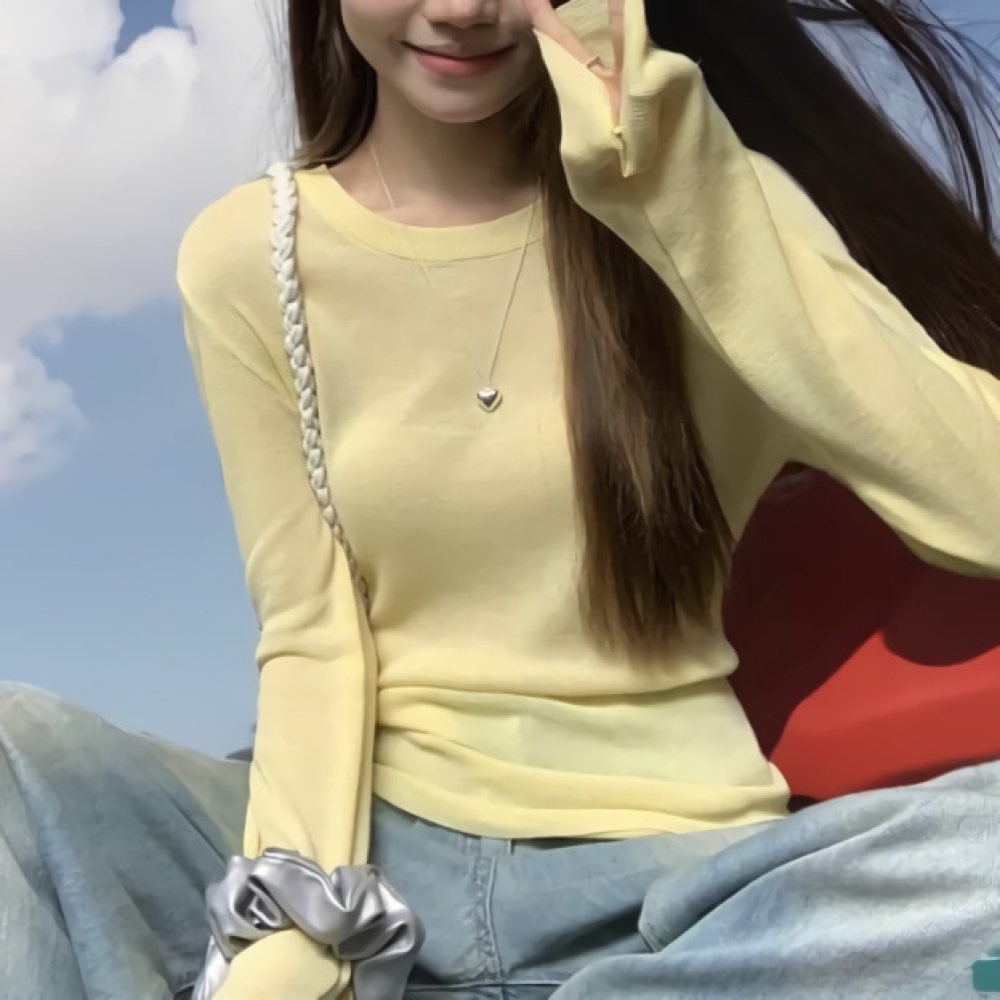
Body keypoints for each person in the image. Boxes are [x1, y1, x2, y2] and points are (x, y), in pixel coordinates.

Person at [2, 0, 1000, 997]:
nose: (461, 11)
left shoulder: (716, 202)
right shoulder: (250, 252)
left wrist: (693, 206)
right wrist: (300, 915)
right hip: (373, 841)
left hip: (673, 875)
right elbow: (310, 628)